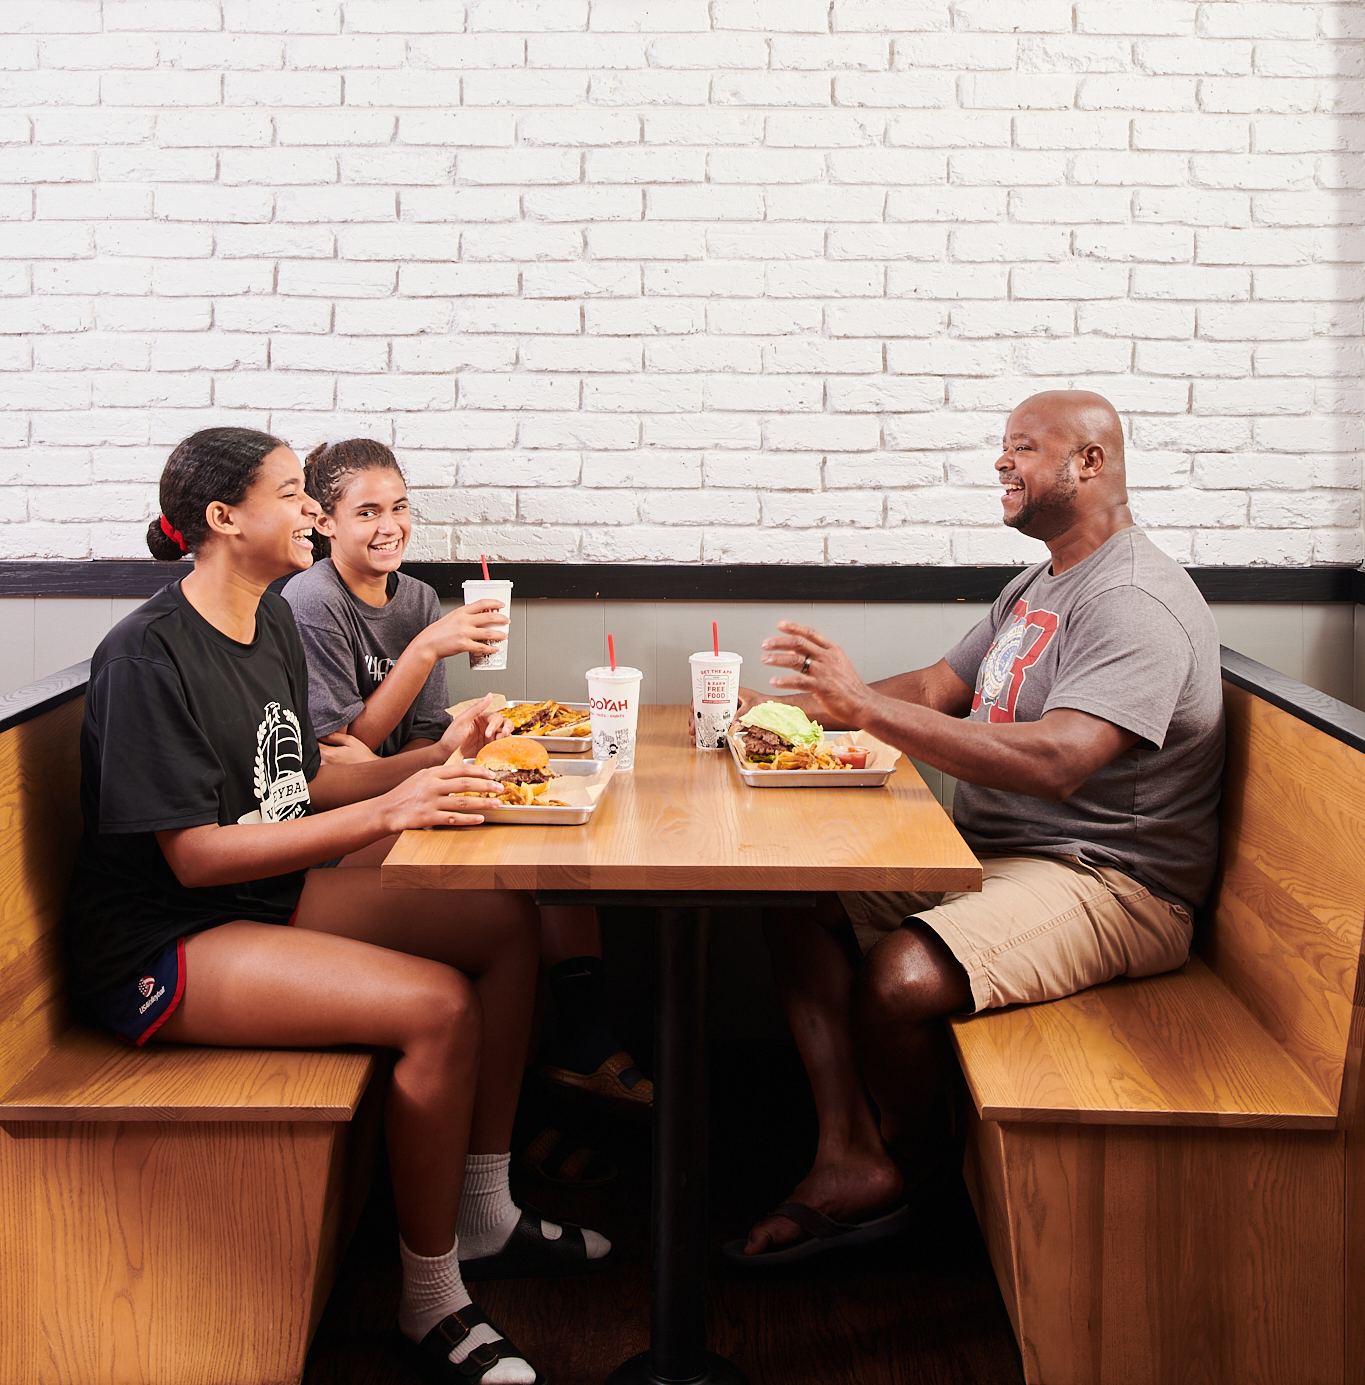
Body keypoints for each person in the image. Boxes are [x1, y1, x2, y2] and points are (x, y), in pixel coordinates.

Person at [64, 427, 612, 1385]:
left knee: (502, 926)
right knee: (438, 1007)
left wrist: (437, 760)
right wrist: (390, 811)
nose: (312, 510)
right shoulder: (147, 654)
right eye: (292, 494)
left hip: (261, 893)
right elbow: (193, 859)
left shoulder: (268, 621)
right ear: (223, 518)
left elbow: (303, 780)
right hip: (166, 940)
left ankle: (484, 1211)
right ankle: (429, 1296)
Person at [725, 389, 1225, 1268]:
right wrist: (791, 713)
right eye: (1004, 445)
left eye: (1023, 446)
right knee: (800, 898)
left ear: (1089, 462)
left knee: (899, 976)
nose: (1001, 461)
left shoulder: (1133, 598)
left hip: (1112, 881)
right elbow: (933, 688)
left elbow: (1061, 758)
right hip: (1003, 858)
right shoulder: (1040, 583)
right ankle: (850, 1151)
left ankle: (921, 1186)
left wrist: (862, 711)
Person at [280, 438, 652, 1115]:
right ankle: (570, 1054)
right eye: (367, 512)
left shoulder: (420, 597)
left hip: (404, 794)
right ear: (325, 522)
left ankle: (576, 1044)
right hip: (334, 829)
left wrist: (453, 745)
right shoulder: (313, 599)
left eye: (399, 507)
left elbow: (423, 735)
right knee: (511, 877)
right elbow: (341, 754)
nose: (389, 526)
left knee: (551, 835)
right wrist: (423, 654)